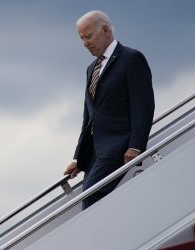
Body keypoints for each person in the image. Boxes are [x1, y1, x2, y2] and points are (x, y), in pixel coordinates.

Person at [64, 10, 155, 209]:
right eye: (81, 38)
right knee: (89, 200)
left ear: (105, 30)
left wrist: (136, 146)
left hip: (118, 146)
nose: (85, 43)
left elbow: (144, 105)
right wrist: (79, 158)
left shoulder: (131, 59)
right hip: (95, 152)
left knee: (91, 196)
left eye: (88, 36)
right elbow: (88, 117)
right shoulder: (91, 68)